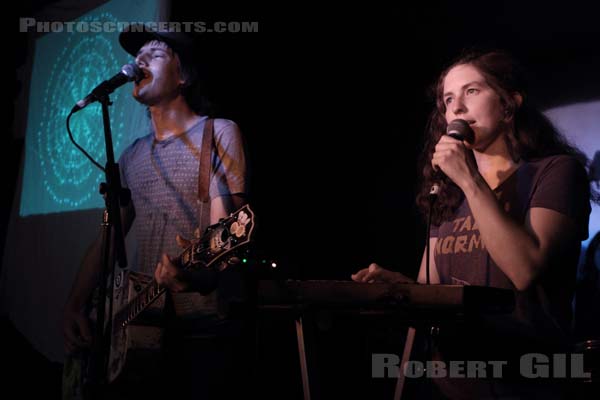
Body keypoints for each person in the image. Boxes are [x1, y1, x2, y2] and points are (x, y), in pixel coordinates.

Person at [352, 49, 594, 398]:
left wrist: (470, 180)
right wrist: (395, 285)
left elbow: (525, 269)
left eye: (472, 91)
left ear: (509, 105)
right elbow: (431, 291)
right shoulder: (446, 193)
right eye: (449, 100)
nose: (458, 108)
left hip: (526, 382)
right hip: (450, 385)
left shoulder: (555, 172)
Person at [62, 24, 249, 399]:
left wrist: (195, 275)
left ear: (185, 76)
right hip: (140, 323)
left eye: (156, 54)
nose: (139, 61)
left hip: (201, 327)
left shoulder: (220, 133)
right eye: (137, 56)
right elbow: (110, 235)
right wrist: (75, 305)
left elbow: (228, 236)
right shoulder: (131, 156)